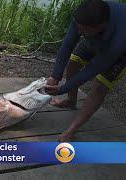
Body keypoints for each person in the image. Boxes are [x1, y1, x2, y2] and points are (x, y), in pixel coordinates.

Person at [45, 0, 126, 141]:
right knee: (73, 63)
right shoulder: (84, 17)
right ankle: (71, 101)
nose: (79, 32)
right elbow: (67, 45)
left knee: (100, 85)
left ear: (101, 26)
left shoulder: (119, 42)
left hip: (121, 54)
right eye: (78, 27)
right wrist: (55, 76)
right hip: (95, 37)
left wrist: (63, 88)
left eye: (83, 30)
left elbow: (92, 69)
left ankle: (72, 130)